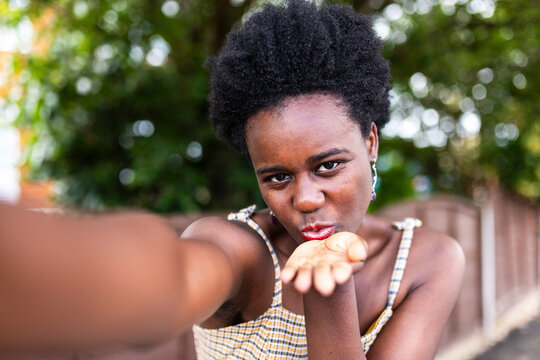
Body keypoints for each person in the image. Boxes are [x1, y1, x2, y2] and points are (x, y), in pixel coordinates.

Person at [0, 1, 465, 359]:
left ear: (371, 143)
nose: (304, 198)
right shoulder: (240, 252)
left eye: (328, 166)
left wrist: (330, 284)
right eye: (278, 177)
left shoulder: (427, 261)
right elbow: (171, 277)